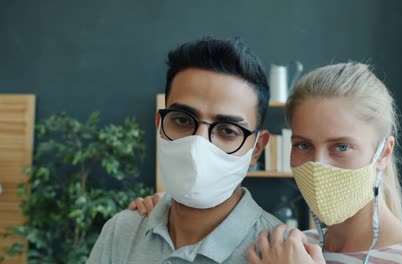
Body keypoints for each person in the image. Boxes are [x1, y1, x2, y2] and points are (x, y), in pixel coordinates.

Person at [132, 62, 402, 263]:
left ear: (382, 154)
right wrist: (176, 210)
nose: (318, 165)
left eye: (341, 146)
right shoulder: (283, 247)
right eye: (303, 145)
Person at [87, 37, 282, 263]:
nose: (197, 145)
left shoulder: (282, 253)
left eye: (228, 131)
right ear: (159, 124)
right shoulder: (121, 232)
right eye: (182, 120)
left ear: (256, 149)